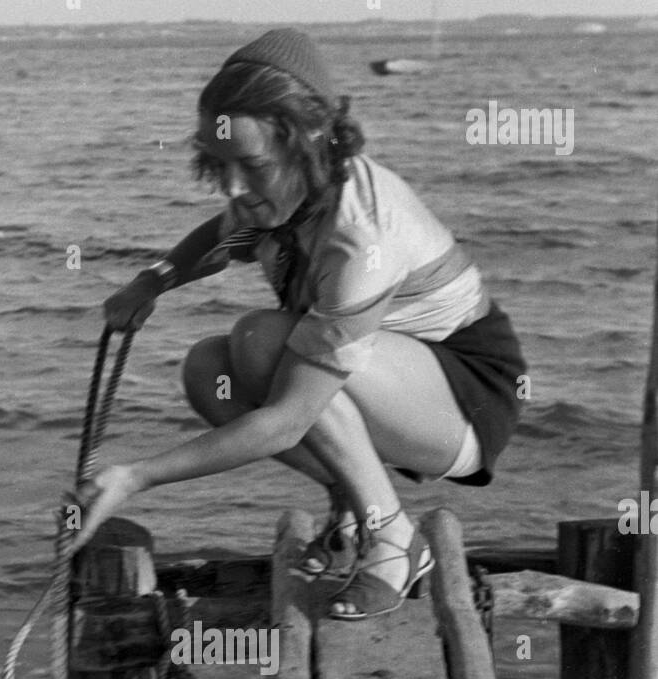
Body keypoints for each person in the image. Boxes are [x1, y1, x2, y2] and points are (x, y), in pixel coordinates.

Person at [77, 27, 527, 619]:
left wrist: (135, 478)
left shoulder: (360, 236)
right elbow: (223, 237)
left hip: (466, 401)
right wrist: (153, 280)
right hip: (393, 382)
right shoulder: (284, 192)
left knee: (262, 340)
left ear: (308, 141)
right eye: (219, 165)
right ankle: (354, 505)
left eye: (251, 165)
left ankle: (394, 539)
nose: (233, 187)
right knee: (209, 369)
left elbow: (287, 422)